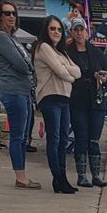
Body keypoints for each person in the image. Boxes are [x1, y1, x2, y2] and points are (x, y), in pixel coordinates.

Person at [0, 0, 40, 188]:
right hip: (13, 91)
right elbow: (22, 64)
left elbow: (27, 62)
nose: (11, 16)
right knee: (17, 135)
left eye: (13, 13)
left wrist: (27, 64)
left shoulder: (13, 38)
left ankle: (22, 174)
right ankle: (20, 176)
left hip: (23, 90)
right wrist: (27, 65)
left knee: (24, 135)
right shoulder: (1, 37)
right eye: (7, 13)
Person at [33, 16, 81, 194]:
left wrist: (65, 70)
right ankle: (58, 177)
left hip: (63, 98)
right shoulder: (43, 47)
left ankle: (62, 178)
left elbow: (77, 71)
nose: (56, 32)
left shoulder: (61, 52)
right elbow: (65, 73)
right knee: (54, 139)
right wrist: (66, 73)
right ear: (46, 30)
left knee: (62, 139)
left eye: (59, 29)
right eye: (53, 29)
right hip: (50, 97)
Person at [67, 16, 107, 188]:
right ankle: (81, 175)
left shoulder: (96, 52)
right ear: (71, 32)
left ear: (86, 31)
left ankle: (96, 175)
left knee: (94, 138)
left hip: (96, 99)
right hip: (77, 100)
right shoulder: (68, 52)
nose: (79, 33)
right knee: (81, 137)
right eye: (76, 30)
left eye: (81, 29)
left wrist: (102, 77)